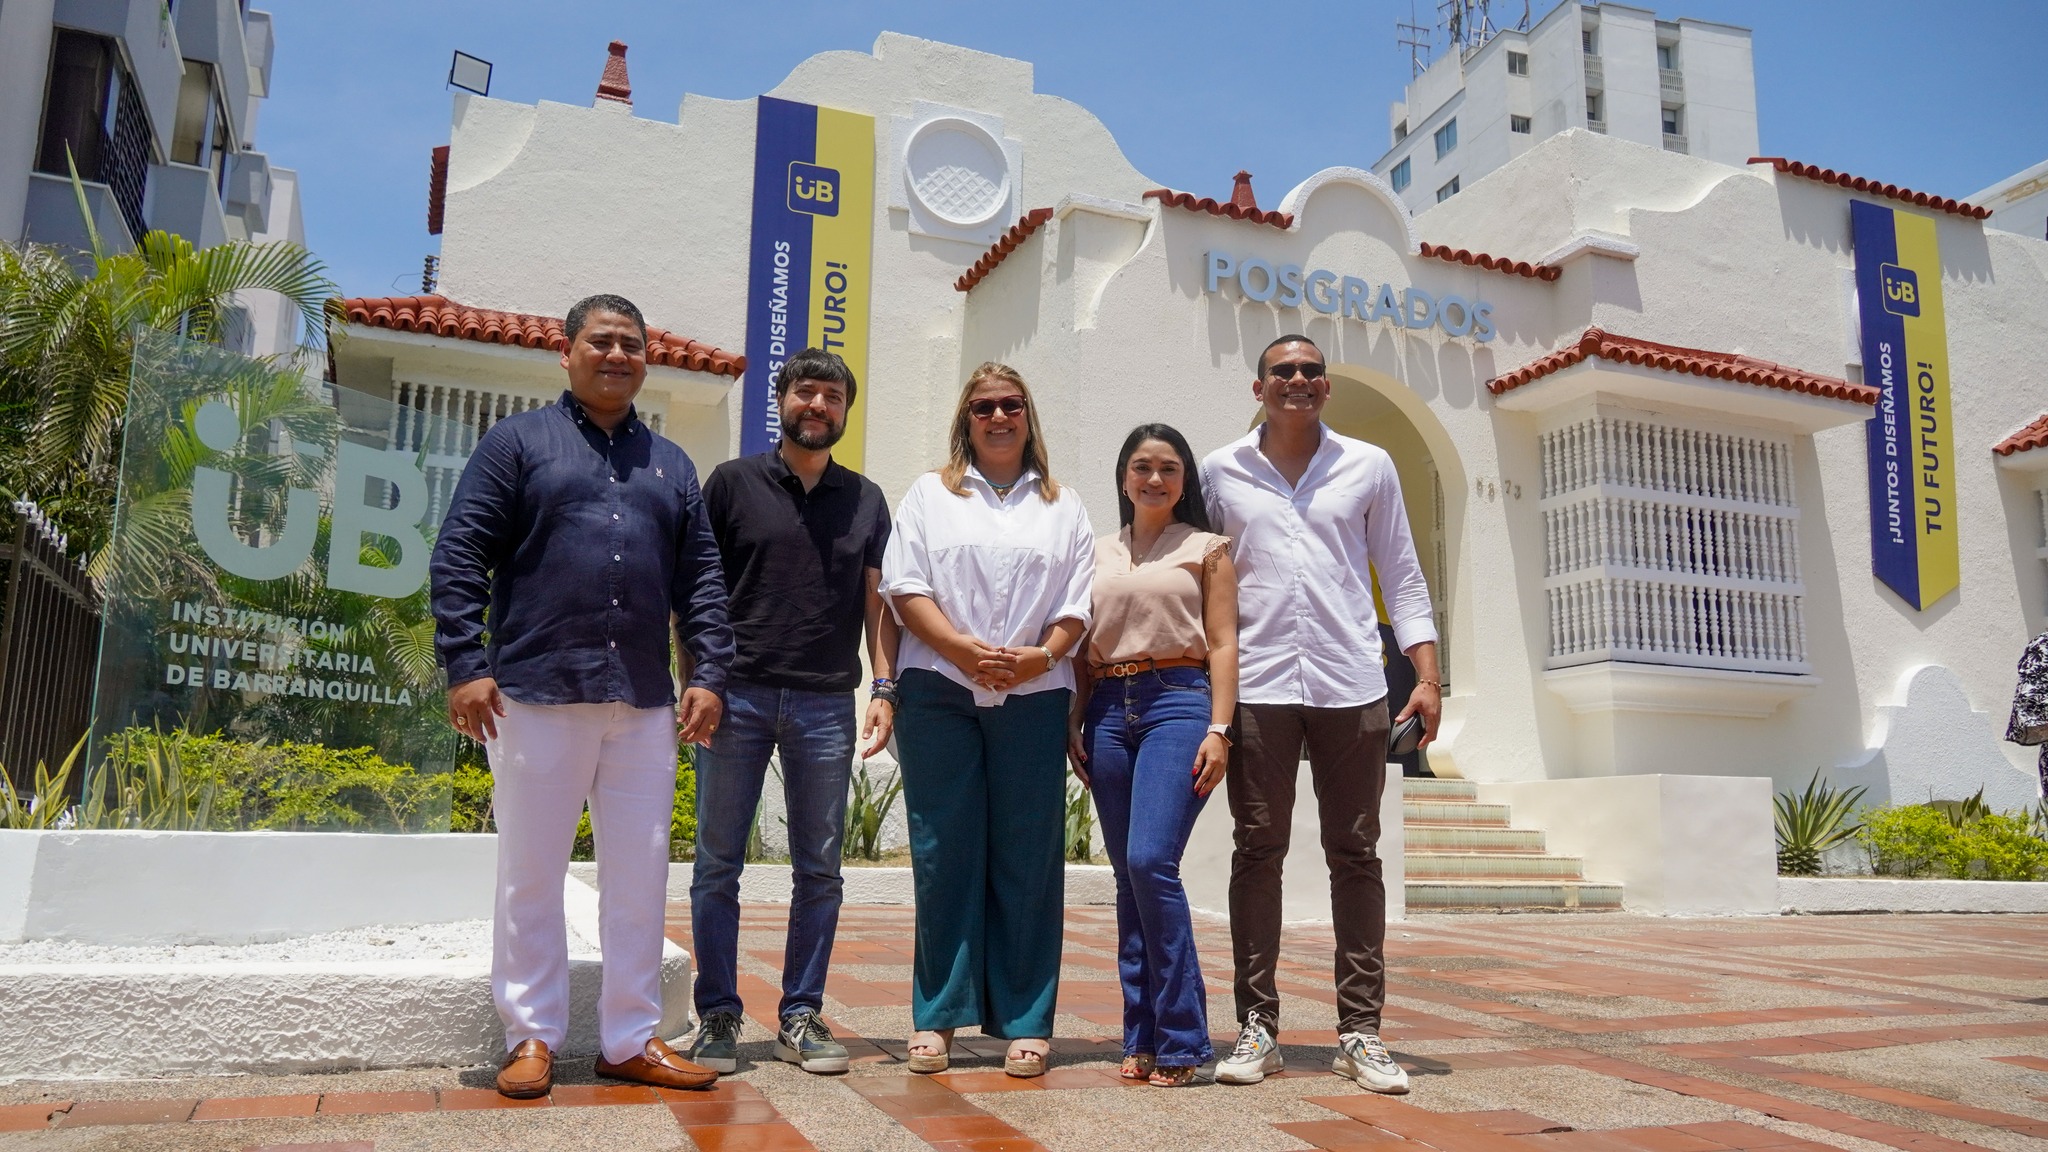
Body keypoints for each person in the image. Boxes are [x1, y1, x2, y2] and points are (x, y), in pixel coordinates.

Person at [430, 293, 734, 1098]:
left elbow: (702, 581)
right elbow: (461, 553)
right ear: (564, 353)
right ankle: (530, 1034)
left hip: (641, 705)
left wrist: (706, 674)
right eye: (600, 341)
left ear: (646, 360)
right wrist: (465, 663)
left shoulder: (673, 466)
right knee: (531, 872)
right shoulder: (517, 443)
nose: (616, 354)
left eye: (631, 344)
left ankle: (632, 1038)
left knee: (640, 873)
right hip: (534, 693)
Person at [1202, 334, 1441, 1095]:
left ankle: (1360, 1033)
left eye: (1310, 371)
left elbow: (1401, 571)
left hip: (1351, 683)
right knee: (1257, 850)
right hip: (1258, 684)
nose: (1297, 381)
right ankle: (1258, 1028)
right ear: (1258, 385)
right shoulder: (1219, 471)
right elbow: (1197, 578)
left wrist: (1430, 677)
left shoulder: (1368, 464)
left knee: (1356, 854)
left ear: (1326, 387)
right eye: (1282, 372)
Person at [879, 362, 1095, 1078]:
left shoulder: (1063, 506)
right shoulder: (928, 495)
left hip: (1033, 697)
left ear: (1029, 416)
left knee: (1028, 859)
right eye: (983, 408)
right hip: (939, 689)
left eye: (1010, 405)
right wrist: (961, 650)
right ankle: (937, 1018)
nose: (997, 417)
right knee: (945, 856)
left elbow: (1076, 603)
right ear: (964, 420)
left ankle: (1027, 1021)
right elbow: (904, 586)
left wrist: (1039, 659)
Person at [687, 348, 898, 1076]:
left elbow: (879, 605)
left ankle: (800, 1014)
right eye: (806, 392)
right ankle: (717, 1013)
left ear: (845, 410)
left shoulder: (866, 500)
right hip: (734, 696)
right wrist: (700, 680)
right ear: (782, 401)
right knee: (718, 863)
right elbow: (698, 590)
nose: (818, 405)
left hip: (824, 703)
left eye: (833, 396)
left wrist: (884, 687)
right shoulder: (731, 484)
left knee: (821, 868)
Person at [1068, 424, 1238, 1088]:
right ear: (1123, 477)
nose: (1155, 479)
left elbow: (1223, 643)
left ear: (1184, 479)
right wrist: (1074, 718)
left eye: (1169, 468)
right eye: (1142, 467)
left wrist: (1220, 728)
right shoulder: (1097, 551)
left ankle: (1183, 1037)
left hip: (1179, 700)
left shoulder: (1206, 548)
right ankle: (1139, 1033)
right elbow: (1085, 647)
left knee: (1149, 862)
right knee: (1126, 879)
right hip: (1108, 707)